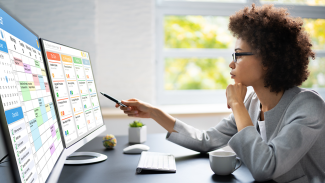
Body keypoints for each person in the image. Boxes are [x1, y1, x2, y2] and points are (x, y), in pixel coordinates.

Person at [116, 4, 325, 183]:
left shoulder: (308, 106)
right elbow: (207, 141)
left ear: (268, 61)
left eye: (238, 55)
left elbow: (265, 167)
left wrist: (237, 105)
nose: (231, 63)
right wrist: (154, 112)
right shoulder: (253, 102)